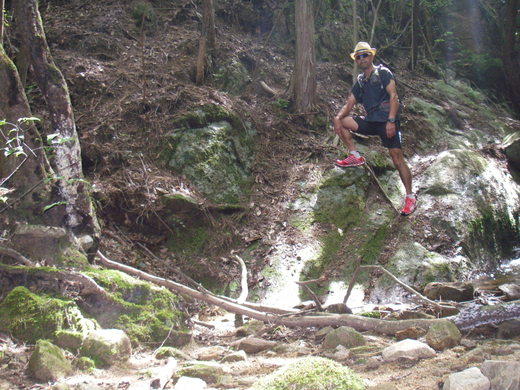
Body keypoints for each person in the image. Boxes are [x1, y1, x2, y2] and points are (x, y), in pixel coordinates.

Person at [333, 41, 417, 216]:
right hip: (371, 121)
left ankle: (410, 196)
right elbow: (350, 103)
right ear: (356, 60)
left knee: (396, 158)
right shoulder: (361, 81)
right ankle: (354, 156)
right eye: (358, 56)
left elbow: (394, 96)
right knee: (343, 122)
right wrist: (337, 118)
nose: (362, 59)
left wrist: (392, 121)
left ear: (371, 56)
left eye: (365, 55)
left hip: (387, 121)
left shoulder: (383, 73)